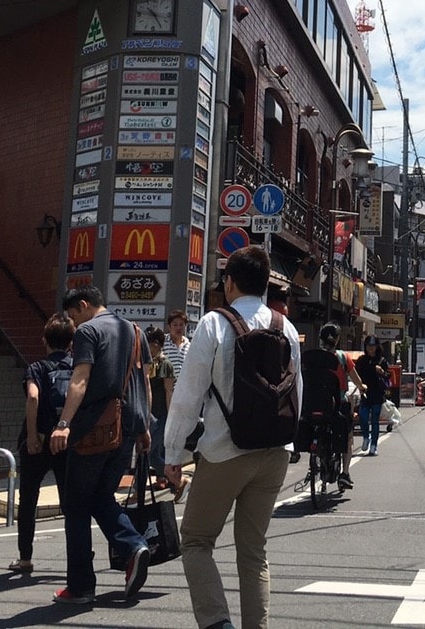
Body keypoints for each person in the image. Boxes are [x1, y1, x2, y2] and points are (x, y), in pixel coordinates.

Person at [162, 245, 303, 629]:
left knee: (195, 540)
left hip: (225, 451)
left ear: (230, 281)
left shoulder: (213, 324)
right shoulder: (285, 327)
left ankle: (216, 623)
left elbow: (188, 397)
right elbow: (296, 394)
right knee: (254, 551)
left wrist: (173, 454)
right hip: (274, 452)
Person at [48, 284, 152, 606]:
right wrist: (146, 426)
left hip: (94, 429)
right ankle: (133, 546)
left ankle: (81, 586)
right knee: (102, 496)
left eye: (73, 316)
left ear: (83, 305)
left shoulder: (89, 332)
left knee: (77, 505)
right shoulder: (135, 331)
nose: (73, 324)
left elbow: (79, 379)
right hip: (128, 429)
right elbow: (144, 381)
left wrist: (63, 424)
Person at [9, 311, 75, 574]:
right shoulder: (78, 369)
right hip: (66, 440)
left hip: (37, 443)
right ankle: (77, 557)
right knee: (70, 502)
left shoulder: (36, 368)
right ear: (71, 343)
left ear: (44, 340)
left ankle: (25, 558)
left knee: (28, 500)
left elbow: (33, 398)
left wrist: (34, 435)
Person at [299, 322, 357, 488]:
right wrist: (363, 388)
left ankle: (314, 462)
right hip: (335, 405)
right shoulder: (342, 358)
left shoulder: (310, 356)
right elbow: (357, 381)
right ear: (337, 339)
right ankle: (344, 473)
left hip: (312, 403)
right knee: (348, 436)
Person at [145, 326, 175, 487]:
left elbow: (168, 391)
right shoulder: (145, 363)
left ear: (157, 345)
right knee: (154, 456)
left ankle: (138, 489)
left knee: (146, 452)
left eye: (149, 343)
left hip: (160, 415)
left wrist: (171, 417)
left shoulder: (165, 364)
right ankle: (179, 480)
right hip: (147, 414)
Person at [354, 336, 390, 456]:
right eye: (369, 346)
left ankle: (374, 445)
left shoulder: (382, 361)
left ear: (377, 347)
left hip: (377, 394)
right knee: (363, 418)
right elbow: (355, 374)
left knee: (375, 420)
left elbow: (388, 376)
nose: (371, 348)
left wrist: (382, 372)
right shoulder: (361, 360)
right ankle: (366, 437)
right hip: (365, 393)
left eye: (373, 346)